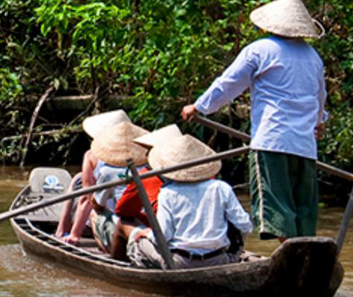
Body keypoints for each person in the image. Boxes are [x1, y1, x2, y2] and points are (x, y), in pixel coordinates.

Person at [181, 0, 327, 241]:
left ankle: (293, 258)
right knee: (302, 209)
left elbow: (228, 83)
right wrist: (319, 121)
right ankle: (303, 258)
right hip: (304, 145)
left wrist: (198, 106)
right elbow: (319, 95)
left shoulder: (260, 50)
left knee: (276, 208)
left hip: (272, 141)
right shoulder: (313, 57)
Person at [128, 133, 252, 269]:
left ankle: (147, 280)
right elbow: (245, 225)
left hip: (180, 263)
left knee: (137, 240)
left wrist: (146, 234)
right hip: (219, 260)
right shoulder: (221, 187)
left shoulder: (167, 193)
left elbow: (163, 236)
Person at [54, 110, 148, 247]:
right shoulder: (145, 155)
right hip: (141, 218)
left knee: (77, 182)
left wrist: (75, 235)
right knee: (79, 179)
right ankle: (62, 230)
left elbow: (87, 199)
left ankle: (61, 231)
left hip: (110, 221)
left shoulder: (91, 156)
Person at [109, 124, 180, 260]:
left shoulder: (145, 176)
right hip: (201, 240)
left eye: (149, 152)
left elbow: (124, 212)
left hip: (172, 245)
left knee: (123, 223)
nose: (146, 156)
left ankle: (116, 268)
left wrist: (147, 228)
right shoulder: (208, 177)